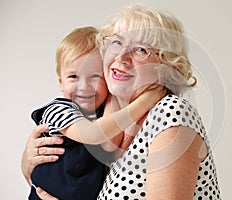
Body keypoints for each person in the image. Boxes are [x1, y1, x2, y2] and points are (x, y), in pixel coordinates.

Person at [22, 3, 221, 200]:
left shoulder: (170, 113)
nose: (121, 57)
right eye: (116, 43)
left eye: (141, 50)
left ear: (165, 67)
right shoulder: (102, 115)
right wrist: (27, 163)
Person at [27, 26, 163, 200]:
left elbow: (109, 147)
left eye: (95, 77)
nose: (84, 87)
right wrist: (147, 100)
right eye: (73, 77)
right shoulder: (57, 110)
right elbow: (94, 133)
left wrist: (113, 94)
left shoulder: (105, 115)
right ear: (61, 83)